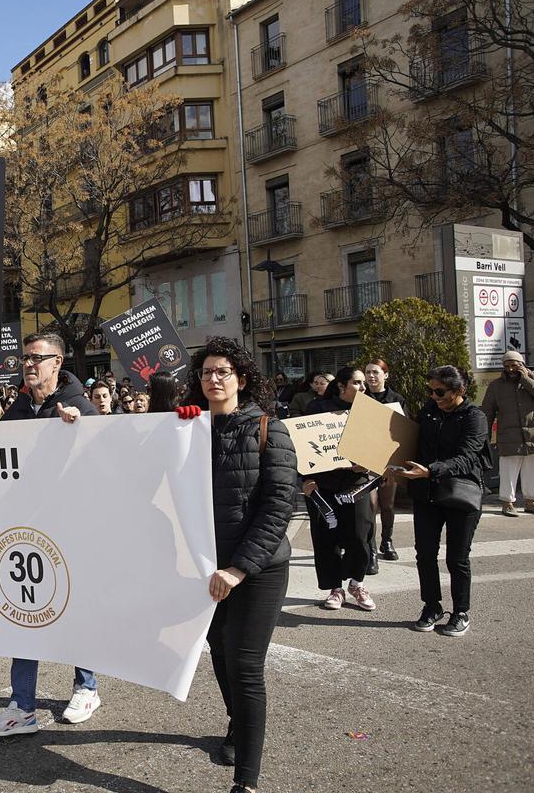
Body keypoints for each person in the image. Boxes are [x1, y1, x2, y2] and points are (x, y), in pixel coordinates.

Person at [182, 337, 296, 793]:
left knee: (246, 668)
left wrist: (239, 569)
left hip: (257, 570)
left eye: (222, 372)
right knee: (222, 654)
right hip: (208, 570)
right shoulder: (187, 429)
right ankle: (236, 723)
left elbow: (278, 507)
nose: (212, 379)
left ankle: (245, 782)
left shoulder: (269, 428)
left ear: (241, 379)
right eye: (206, 373)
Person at [0, 332, 99, 736]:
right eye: (25, 358)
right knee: (24, 613)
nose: (28, 364)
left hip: (71, 530)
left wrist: (80, 432)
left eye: (37, 358)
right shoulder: (15, 412)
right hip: (26, 532)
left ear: (57, 362)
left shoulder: (81, 408)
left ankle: (87, 685)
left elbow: (103, 465)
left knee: (74, 610)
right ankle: (23, 705)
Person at [395, 366, 491, 637]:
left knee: (457, 558)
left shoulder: (475, 418)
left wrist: (431, 470)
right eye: (431, 390)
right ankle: (431, 606)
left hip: (461, 494)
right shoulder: (429, 411)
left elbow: (467, 458)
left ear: (460, 391)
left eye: (440, 391)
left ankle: (461, 611)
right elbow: (408, 438)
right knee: (425, 554)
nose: (434, 396)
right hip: (426, 494)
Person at [303, 367, 377, 611]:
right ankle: (335, 589)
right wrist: (304, 478)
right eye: (357, 383)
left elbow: (381, 446)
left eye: (364, 383)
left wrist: (368, 464)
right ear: (341, 387)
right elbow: (301, 445)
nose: (363, 387)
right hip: (323, 486)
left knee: (359, 536)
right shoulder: (316, 409)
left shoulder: (370, 410)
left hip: (357, 486)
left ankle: (357, 583)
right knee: (326, 539)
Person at [481, 350, 534, 517]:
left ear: (522, 364)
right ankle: (507, 503)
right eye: (507, 366)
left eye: (514, 365)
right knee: (508, 469)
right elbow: (488, 411)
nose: (511, 369)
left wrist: (526, 379)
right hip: (509, 434)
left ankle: (532, 502)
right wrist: (484, 436)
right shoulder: (496, 386)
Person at [363, 359, 406, 561]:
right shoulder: (359, 398)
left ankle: (387, 541)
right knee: (370, 505)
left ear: (385, 375)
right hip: (365, 459)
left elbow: (403, 430)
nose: (371, 376)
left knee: (387, 504)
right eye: (368, 372)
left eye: (375, 372)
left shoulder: (396, 399)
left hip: (388, 460)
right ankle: (370, 546)